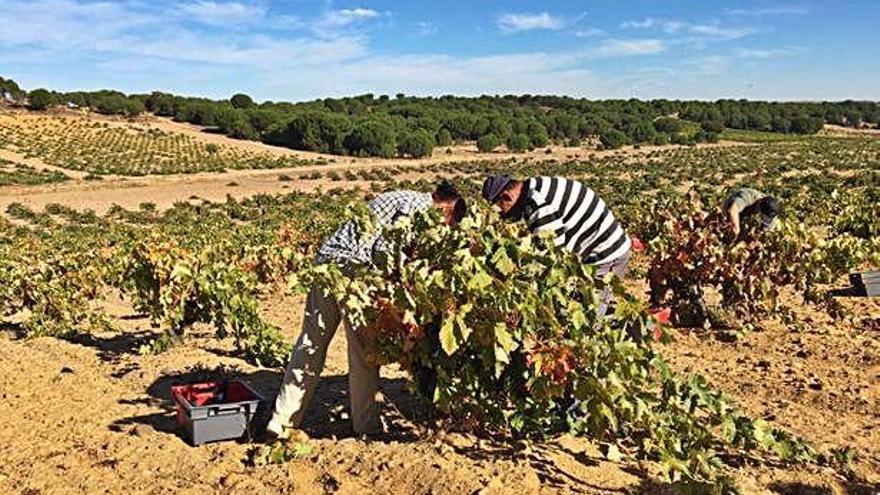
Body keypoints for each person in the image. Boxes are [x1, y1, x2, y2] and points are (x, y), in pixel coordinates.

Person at [266, 182, 467, 439]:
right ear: (446, 207)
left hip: (326, 265)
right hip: (354, 272)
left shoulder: (402, 197)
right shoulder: (419, 207)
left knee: (310, 344)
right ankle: (366, 427)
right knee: (364, 350)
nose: (442, 229)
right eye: (448, 222)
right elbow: (385, 250)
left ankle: (281, 422)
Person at [481, 175, 631, 317]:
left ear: (507, 197)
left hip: (606, 256)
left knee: (590, 318)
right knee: (576, 305)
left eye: (501, 210)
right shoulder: (534, 186)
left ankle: (643, 330)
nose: (503, 216)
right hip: (593, 253)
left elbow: (553, 259)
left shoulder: (537, 205)